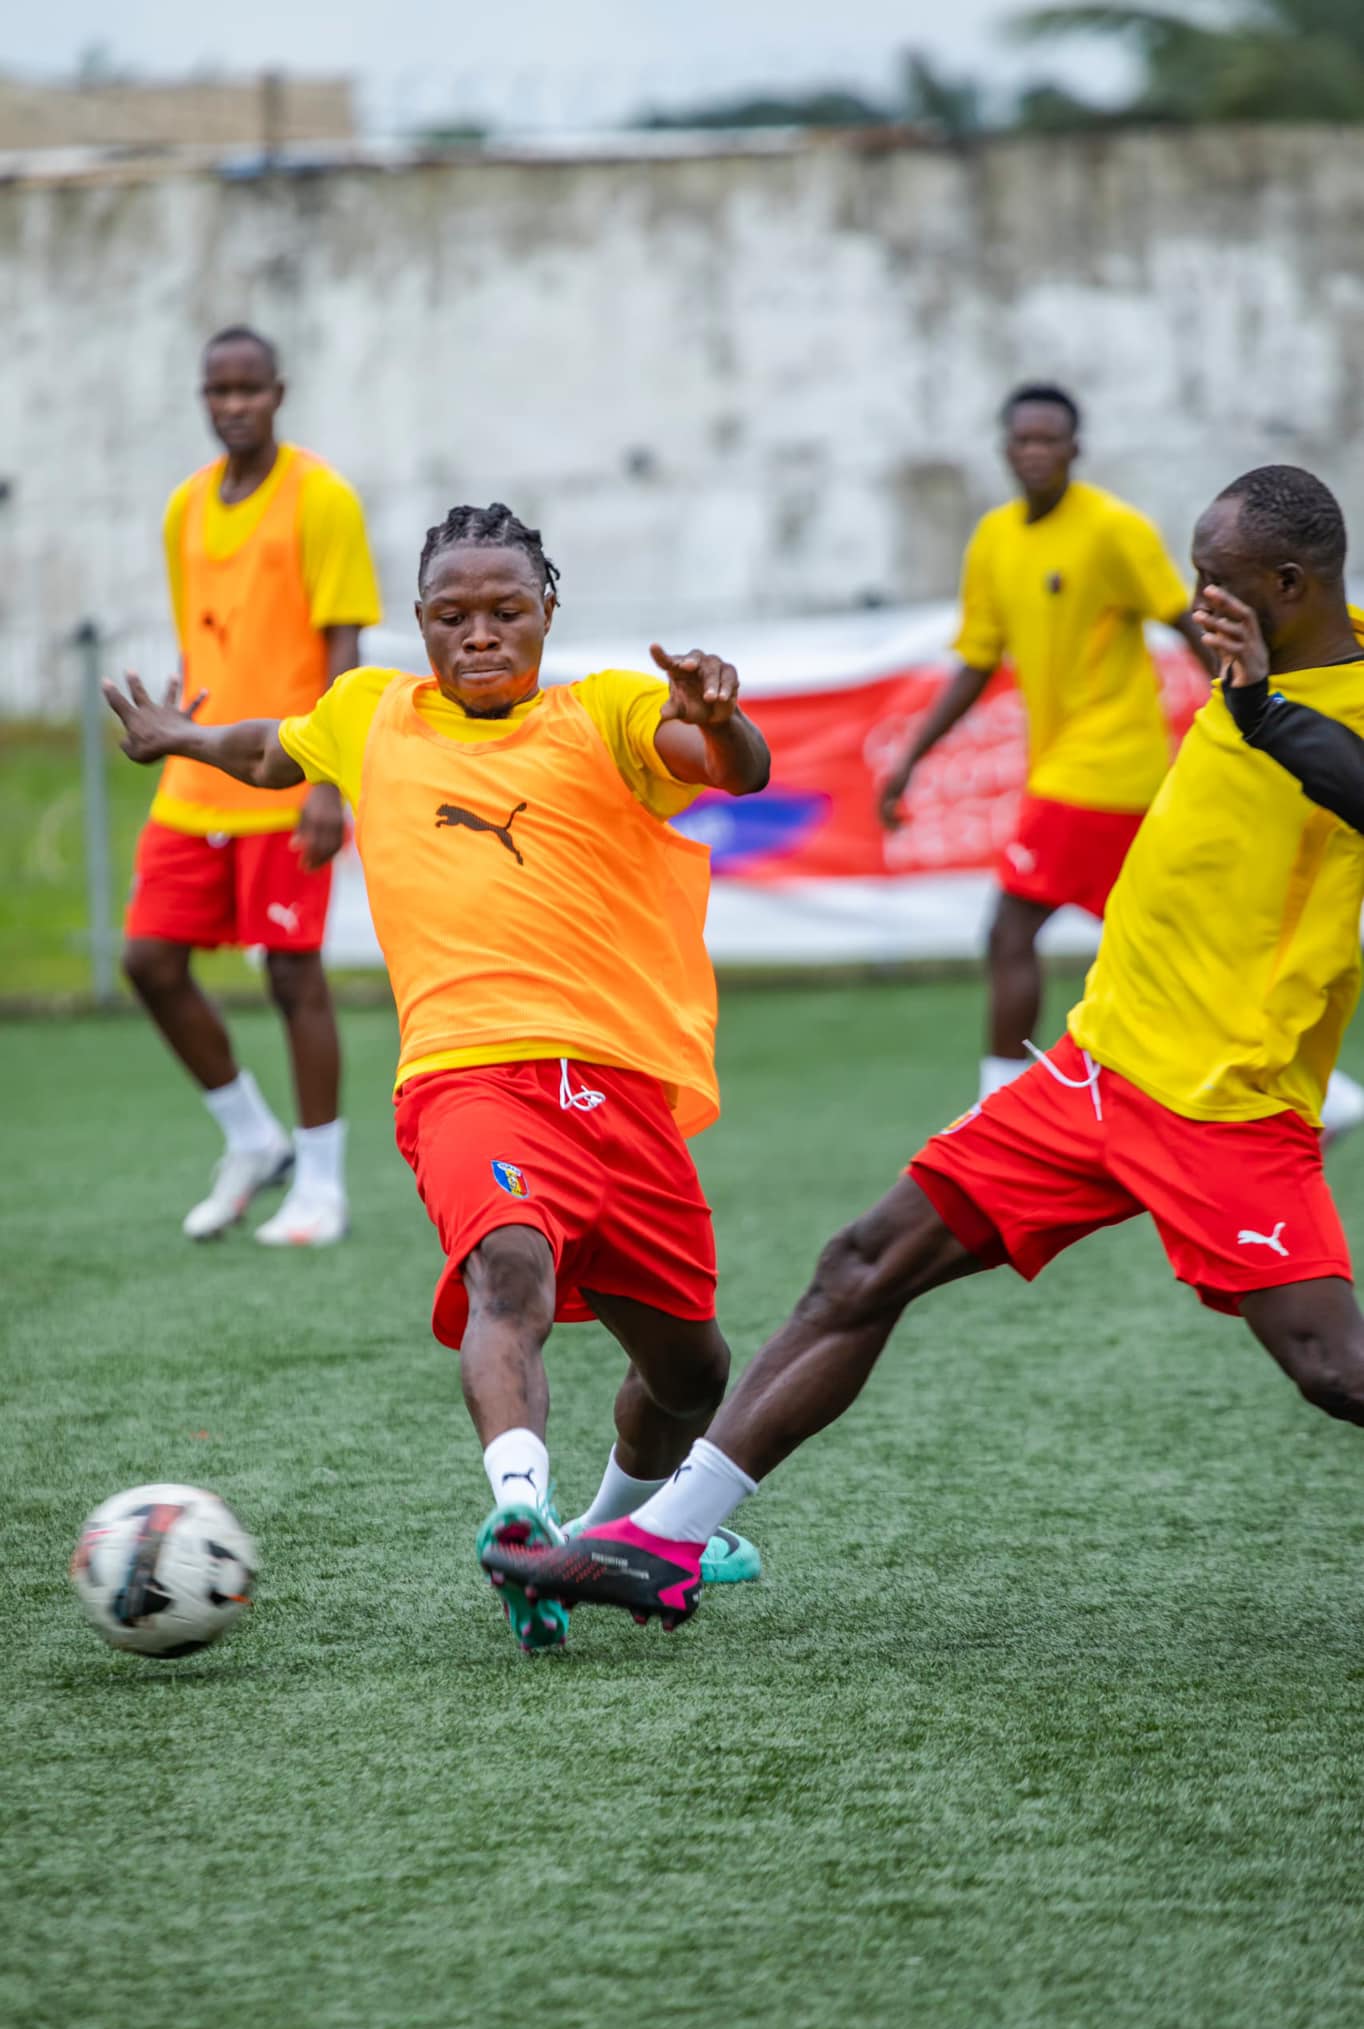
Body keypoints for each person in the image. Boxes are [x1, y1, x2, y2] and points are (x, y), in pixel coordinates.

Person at [485, 464, 1364, 1628]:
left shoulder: (1297, 693)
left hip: (1222, 1103)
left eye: (1218, 581)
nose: (1195, 599)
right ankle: (664, 1541)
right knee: (861, 1264)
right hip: (1092, 1073)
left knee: (1329, 1367)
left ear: (1291, 585)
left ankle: (662, 1535)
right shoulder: (1250, 661)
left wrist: (1254, 705)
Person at [104, 500, 771, 1650]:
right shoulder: (372, 710)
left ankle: (595, 1537)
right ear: (416, 622)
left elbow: (728, 767)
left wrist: (727, 720)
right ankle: (516, 1508)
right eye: (451, 614)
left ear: (547, 612)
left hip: (617, 1087)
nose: (478, 634)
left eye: (506, 610)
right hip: (465, 1076)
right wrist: (180, 738)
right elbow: (273, 747)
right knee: (506, 1274)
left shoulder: (604, 709)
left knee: (689, 1373)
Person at [879, 383, 1213, 1103]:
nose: (1035, 453)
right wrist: (909, 760)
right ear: (1005, 449)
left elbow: (1183, 622)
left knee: (1008, 928)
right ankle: (1317, 1095)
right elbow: (976, 660)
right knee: (1160, 949)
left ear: (1075, 450)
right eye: (1022, 441)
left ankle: (997, 1107)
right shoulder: (995, 539)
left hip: (1106, 765)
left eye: (1049, 441)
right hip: (1073, 770)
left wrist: (1253, 715)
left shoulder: (1114, 530)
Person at [123, 325, 382, 1247]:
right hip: (199, 773)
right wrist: (172, 731)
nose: (233, 406)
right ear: (204, 399)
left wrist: (326, 778)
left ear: (280, 392)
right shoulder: (184, 507)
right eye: (217, 391)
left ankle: (322, 1184)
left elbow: (345, 643)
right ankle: (252, 1139)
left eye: (249, 389)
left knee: (291, 974)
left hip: (285, 774)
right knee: (148, 960)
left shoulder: (322, 498)